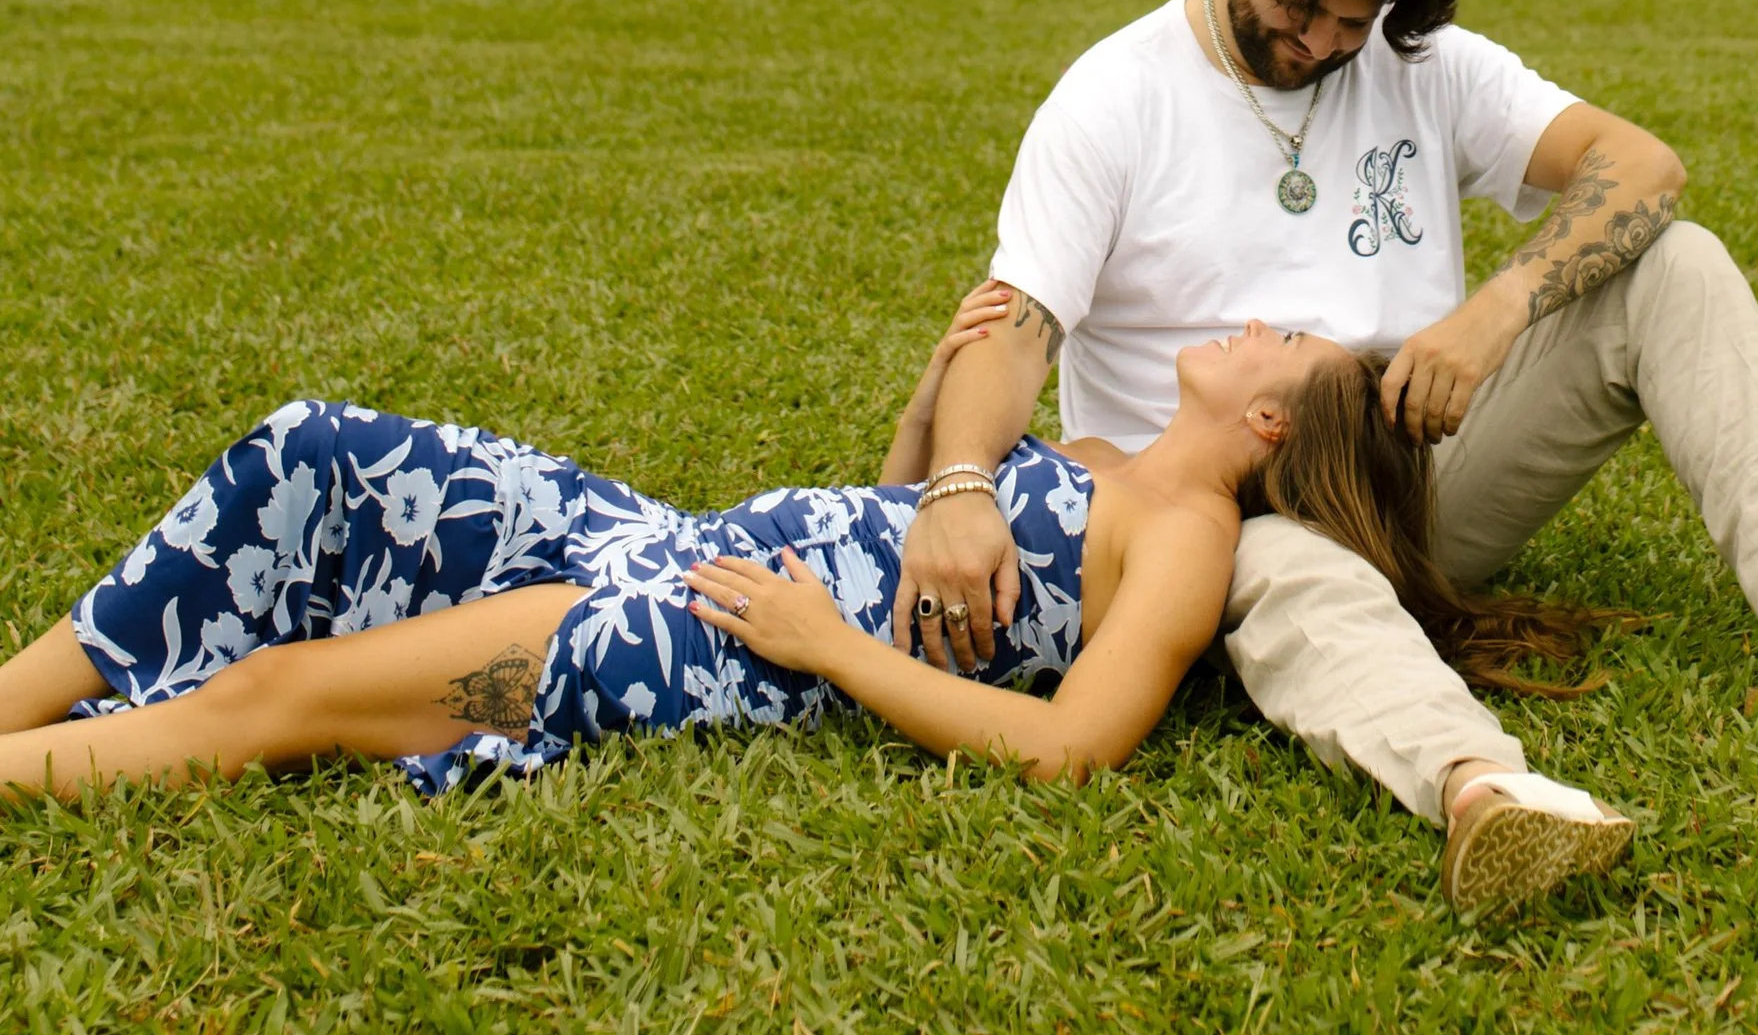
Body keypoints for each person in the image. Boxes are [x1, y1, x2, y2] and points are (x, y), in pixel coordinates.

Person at [894, 0, 1758, 915]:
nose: (1322, 42)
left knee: (1675, 264)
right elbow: (1015, 320)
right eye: (1299, 6)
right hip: (1218, 514)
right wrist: (957, 485)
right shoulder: (1114, 96)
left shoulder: (1417, 61)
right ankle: (1481, 787)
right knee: (1288, 563)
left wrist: (1500, 308)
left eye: (1351, 20)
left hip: (1416, 466)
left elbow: (1642, 167)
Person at [0, 298, 1612, 819]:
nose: (1253, 315)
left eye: (1287, 331)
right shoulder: (1109, 463)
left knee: (289, 687)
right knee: (314, 451)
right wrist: (941, 400)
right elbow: (904, 511)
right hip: (665, 537)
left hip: (703, 631)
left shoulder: (1186, 533)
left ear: (1273, 415)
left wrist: (823, 644)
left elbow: (1069, 746)